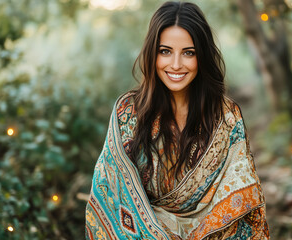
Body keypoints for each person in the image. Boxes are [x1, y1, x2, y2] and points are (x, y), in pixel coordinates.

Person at [85, 1, 269, 239]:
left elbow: (243, 202)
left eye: (188, 53)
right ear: (152, 54)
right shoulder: (128, 112)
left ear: (202, 56)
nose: (175, 65)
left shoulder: (226, 117)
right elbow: (110, 198)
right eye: (165, 51)